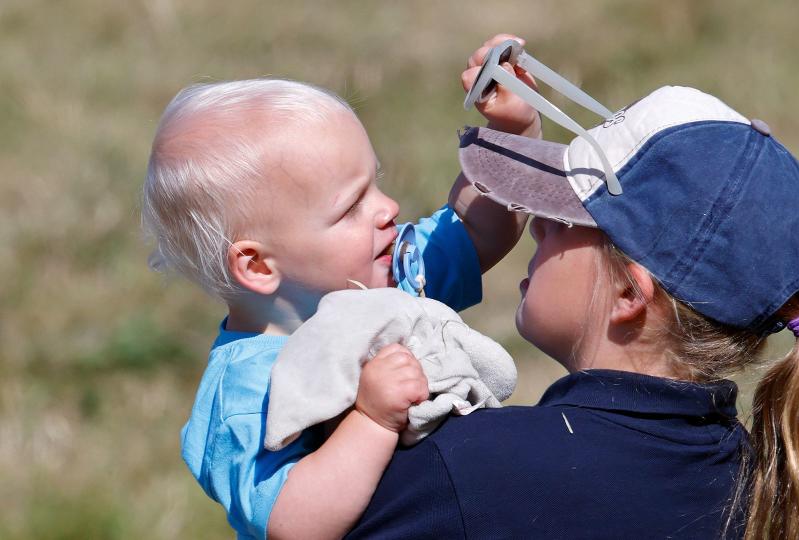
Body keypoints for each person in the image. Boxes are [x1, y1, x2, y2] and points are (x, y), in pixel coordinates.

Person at [347, 82, 799, 538]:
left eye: (567, 216)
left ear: (631, 293)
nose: (538, 225)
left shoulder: (466, 475)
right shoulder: (768, 490)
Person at [141, 36, 540, 540]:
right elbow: (290, 521)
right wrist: (371, 421)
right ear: (258, 265)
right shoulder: (246, 394)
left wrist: (512, 129)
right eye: (350, 207)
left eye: (375, 183)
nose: (388, 207)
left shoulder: (387, 278)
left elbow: (481, 229)